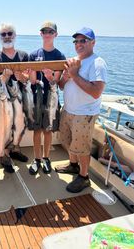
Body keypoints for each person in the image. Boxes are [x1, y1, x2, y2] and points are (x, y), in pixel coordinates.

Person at [55, 27, 107, 193]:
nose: (79, 44)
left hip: (84, 114)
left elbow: (95, 92)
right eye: (76, 41)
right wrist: (66, 76)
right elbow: (62, 87)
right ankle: (73, 165)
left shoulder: (97, 63)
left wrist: (75, 75)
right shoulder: (73, 62)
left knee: (82, 147)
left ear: (93, 43)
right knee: (68, 142)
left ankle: (84, 177)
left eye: (83, 40)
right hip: (68, 110)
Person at [0, 23, 29, 173]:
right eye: (3, 34)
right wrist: (4, 78)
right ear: (0, 38)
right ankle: (3, 154)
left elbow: (28, 79)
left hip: (20, 98)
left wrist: (22, 77)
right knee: (4, 126)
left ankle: (15, 149)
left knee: (20, 124)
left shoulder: (24, 56)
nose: (7, 36)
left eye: (9, 33)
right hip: (2, 101)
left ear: (15, 35)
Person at [28, 21, 66, 175]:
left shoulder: (59, 56)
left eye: (50, 31)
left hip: (51, 99)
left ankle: (46, 158)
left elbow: (56, 82)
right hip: (36, 99)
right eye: (45, 31)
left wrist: (50, 77)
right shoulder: (33, 54)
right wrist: (32, 76)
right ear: (41, 34)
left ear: (55, 34)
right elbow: (31, 80)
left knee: (48, 131)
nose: (47, 34)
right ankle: (36, 159)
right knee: (37, 131)